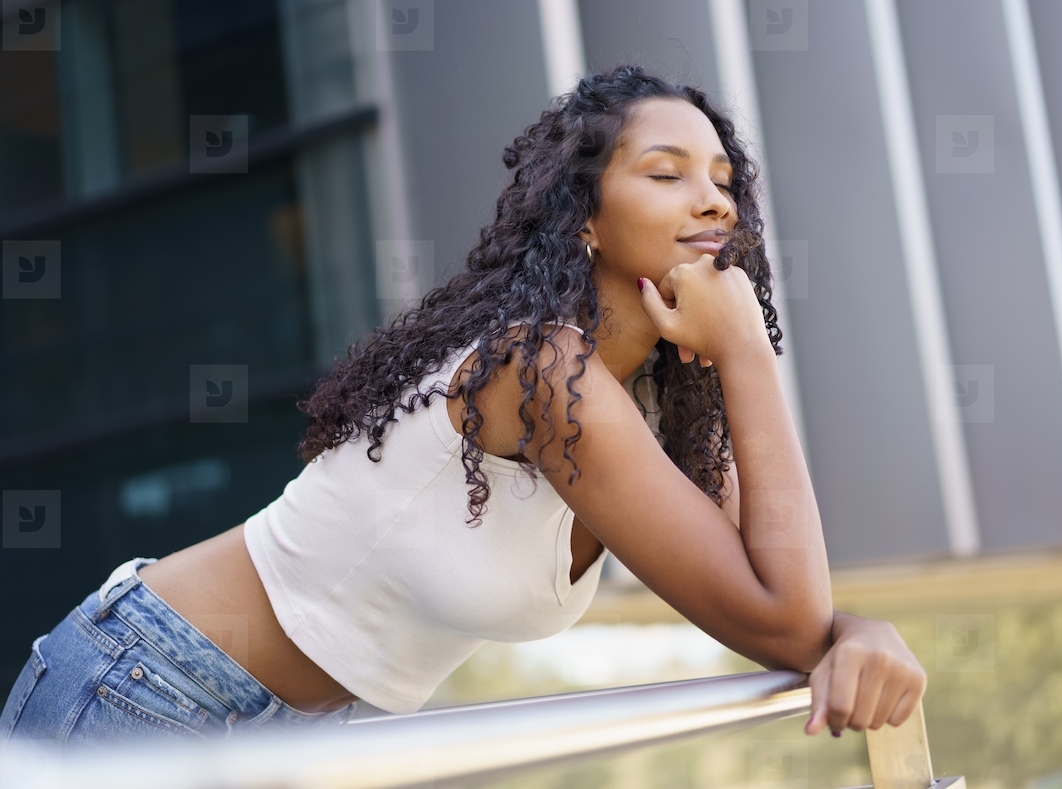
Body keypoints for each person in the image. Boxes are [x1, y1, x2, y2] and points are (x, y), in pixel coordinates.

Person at [0, 64, 925, 751]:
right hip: (151, 688)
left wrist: (859, 631)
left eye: (724, 179)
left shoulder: (657, 407)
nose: (713, 201)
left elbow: (787, 603)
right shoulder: (535, 367)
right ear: (585, 218)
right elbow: (783, 619)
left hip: (295, 739)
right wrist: (750, 353)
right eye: (668, 171)